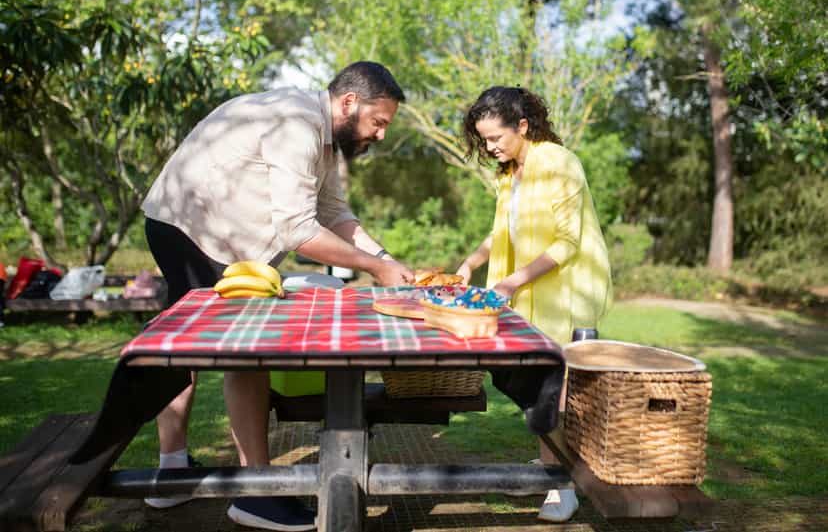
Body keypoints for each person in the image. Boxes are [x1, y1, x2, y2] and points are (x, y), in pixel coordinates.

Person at [140, 61, 413, 531]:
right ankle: (254, 494)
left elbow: (331, 211)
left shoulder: (323, 136)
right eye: (378, 122)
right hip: (190, 229)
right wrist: (374, 267)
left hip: (213, 234)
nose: (381, 135)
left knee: (219, 353)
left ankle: (175, 471)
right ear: (350, 103)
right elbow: (299, 230)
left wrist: (386, 258)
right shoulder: (298, 126)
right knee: (242, 354)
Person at [457, 86, 612, 523]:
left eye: (495, 138)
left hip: (565, 290)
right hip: (527, 289)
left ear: (522, 126)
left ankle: (561, 483)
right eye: (484, 140)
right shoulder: (511, 171)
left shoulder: (560, 164)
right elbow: (502, 232)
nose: (489, 147)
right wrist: (471, 263)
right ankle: (552, 463)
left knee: (546, 385)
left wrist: (509, 283)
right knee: (522, 377)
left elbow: (567, 242)